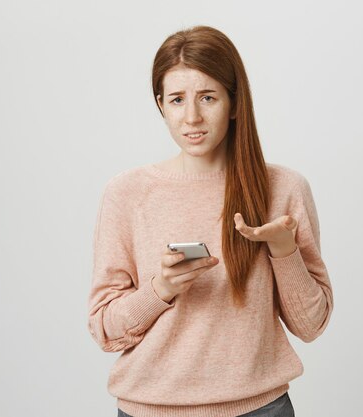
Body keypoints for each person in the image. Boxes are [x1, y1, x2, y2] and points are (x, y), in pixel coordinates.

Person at [87, 25, 334, 417]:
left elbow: (311, 325)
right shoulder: (126, 193)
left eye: (207, 97)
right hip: (150, 409)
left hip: (260, 409)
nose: (192, 117)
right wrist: (161, 288)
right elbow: (105, 329)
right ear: (161, 106)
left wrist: (283, 251)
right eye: (177, 99)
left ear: (235, 103)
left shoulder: (284, 188)